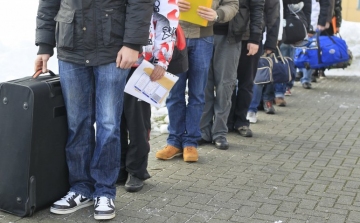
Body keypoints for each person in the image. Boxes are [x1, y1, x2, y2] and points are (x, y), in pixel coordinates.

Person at [34, 0, 153, 220]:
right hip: (71, 47)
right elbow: (48, 4)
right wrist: (44, 45)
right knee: (77, 123)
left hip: (113, 47)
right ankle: (81, 188)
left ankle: (105, 191)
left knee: (108, 124)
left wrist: (133, 44)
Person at [155, 0, 238, 161]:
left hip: (203, 38)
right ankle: (174, 142)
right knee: (174, 93)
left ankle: (190, 143)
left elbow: (232, 4)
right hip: (174, 35)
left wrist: (217, 14)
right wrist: (172, 4)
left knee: (198, 94)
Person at [119, 0, 179, 192]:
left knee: (137, 121)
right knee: (112, 121)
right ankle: (119, 168)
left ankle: (136, 170)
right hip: (109, 61)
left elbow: (168, 22)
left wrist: (161, 60)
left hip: (142, 64)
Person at [199, 0, 263, 150]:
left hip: (231, 36)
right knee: (204, 86)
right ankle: (203, 131)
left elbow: (257, 8)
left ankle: (220, 132)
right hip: (202, 33)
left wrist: (255, 37)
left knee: (225, 86)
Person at [219, 0, 264, 140]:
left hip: (247, 37)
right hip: (228, 36)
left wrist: (255, 38)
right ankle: (228, 120)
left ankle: (241, 121)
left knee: (246, 82)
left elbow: (258, 10)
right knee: (227, 81)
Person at [244, 0, 281, 123]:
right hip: (235, 34)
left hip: (257, 36)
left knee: (256, 77)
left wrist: (271, 42)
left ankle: (251, 109)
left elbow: (273, 13)